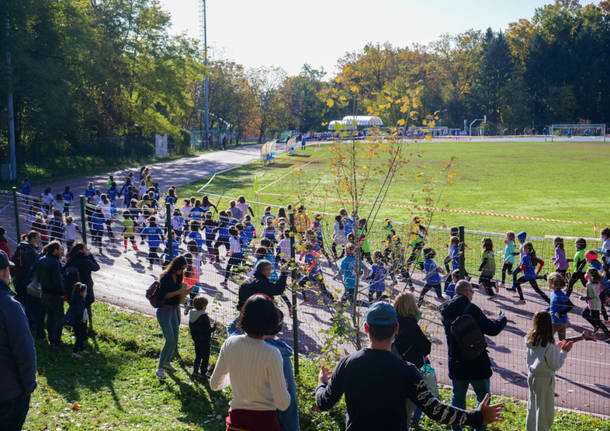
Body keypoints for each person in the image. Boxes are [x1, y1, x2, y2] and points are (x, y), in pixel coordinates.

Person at [315, 301, 503, 431]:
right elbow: (436, 410)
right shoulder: (407, 371)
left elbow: (323, 402)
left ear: (366, 328)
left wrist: (322, 383)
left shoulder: (347, 364)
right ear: (396, 329)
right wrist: (476, 417)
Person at [210, 295, 291, 431]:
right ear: (271, 321)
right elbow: (283, 404)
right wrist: (284, 387)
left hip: (236, 423)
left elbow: (215, 384)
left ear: (243, 316)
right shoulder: (272, 353)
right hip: (264, 423)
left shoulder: (230, 343)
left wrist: (238, 376)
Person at [440, 280, 507, 431]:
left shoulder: (445, 310)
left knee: (457, 400)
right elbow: (491, 329)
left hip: (456, 362)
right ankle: (479, 428)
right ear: (467, 292)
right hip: (477, 361)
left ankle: (456, 429)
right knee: (483, 398)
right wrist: (502, 319)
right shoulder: (472, 308)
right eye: (472, 292)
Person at [0, 249, 37, 431]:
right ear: (3, 272)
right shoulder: (9, 307)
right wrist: (29, 385)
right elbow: (24, 351)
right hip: (9, 394)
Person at [525, 311, 574, 431]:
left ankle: (530, 428)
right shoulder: (549, 344)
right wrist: (564, 352)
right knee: (544, 410)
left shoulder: (529, 339)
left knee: (532, 406)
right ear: (549, 324)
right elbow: (555, 365)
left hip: (532, 375)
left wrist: (556, 350)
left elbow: (541, 354)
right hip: (544, 379)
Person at [155, 256, 193, 379]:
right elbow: (164, 296)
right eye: (181, 268)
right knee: (169, 340)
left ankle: (167, 363)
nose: (182, 271)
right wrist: (179, 292)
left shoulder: (179, 276)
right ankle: (159, 369)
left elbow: (178, 297)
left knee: (175, 339)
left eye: (184, 269)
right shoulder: (166, 277)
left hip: (173, 310)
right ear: (175, 266)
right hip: (164, 311)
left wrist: (187, 292)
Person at [35, 241, 65, 348]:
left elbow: (38, 278)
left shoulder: (41, 260)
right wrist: (62, 293)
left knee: (50, 317)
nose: (62, 251)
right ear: (55, 250)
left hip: (44, 293)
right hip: (55, 295)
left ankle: (51, 339)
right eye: (60, 249)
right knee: (58, 318)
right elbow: (58, 280)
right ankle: (57, 341)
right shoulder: (55, 262)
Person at [64, 242, 100, 331]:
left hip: (73, 288)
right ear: (81, 250)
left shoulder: (71, 259)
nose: (87, 249)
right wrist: (90, 255)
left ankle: (74, 327)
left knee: (75, 308)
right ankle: (81, 330)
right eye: (85, 248)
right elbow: (96, 267)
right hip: (85, 289)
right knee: (84, 310)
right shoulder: (85, 261)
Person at [11, 231, 41, 309]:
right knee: (24, 301)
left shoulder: (22, 246)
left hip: (18, 277)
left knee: (19, 299)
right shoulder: (30, 250)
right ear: (33, 239)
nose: (40, 239)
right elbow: (30, 267)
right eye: (38, 237)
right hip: (24, 279)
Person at [189, 295, 215, 378]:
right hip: (204, 340)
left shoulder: (192, 314)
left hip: (196, 339)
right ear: (204, 306)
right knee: (205, 357)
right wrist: (214, 327)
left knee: (198, 356)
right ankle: (203, 373)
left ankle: (195, 371)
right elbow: (208, 330)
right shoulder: (204, 316)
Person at [580, 268, 610, 339]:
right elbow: (601, 289)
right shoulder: (597, 282)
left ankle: (608, 333)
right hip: (596, 302)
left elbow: (590, 297)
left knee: (597, 320)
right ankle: (596, 326)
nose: (586, 274)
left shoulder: (589, 284)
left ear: (590, 275)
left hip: (593, 304)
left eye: (587, 273)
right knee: (585, 313)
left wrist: (583, 298)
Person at [66, 282, 89, 358]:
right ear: (81, 292)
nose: (86, 293)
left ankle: (81, 349)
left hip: (81, 321)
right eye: (85, 291)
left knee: (82, 335)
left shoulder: (79, 299)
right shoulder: (78, 301)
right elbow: (79, 312)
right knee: (79, 336)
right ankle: (75, 352)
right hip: (78, 322)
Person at [548, 272, 572, 341]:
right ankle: (582, 336)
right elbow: (553, 306)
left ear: (553, 284)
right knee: (563, 341)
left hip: (556, 321)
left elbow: (570, 305)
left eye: (549, 282)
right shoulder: (553, 293)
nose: (548, 284)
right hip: (560, 321)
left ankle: (550, 351)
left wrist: (561, 313)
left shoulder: (560, 295)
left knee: (547, 338)